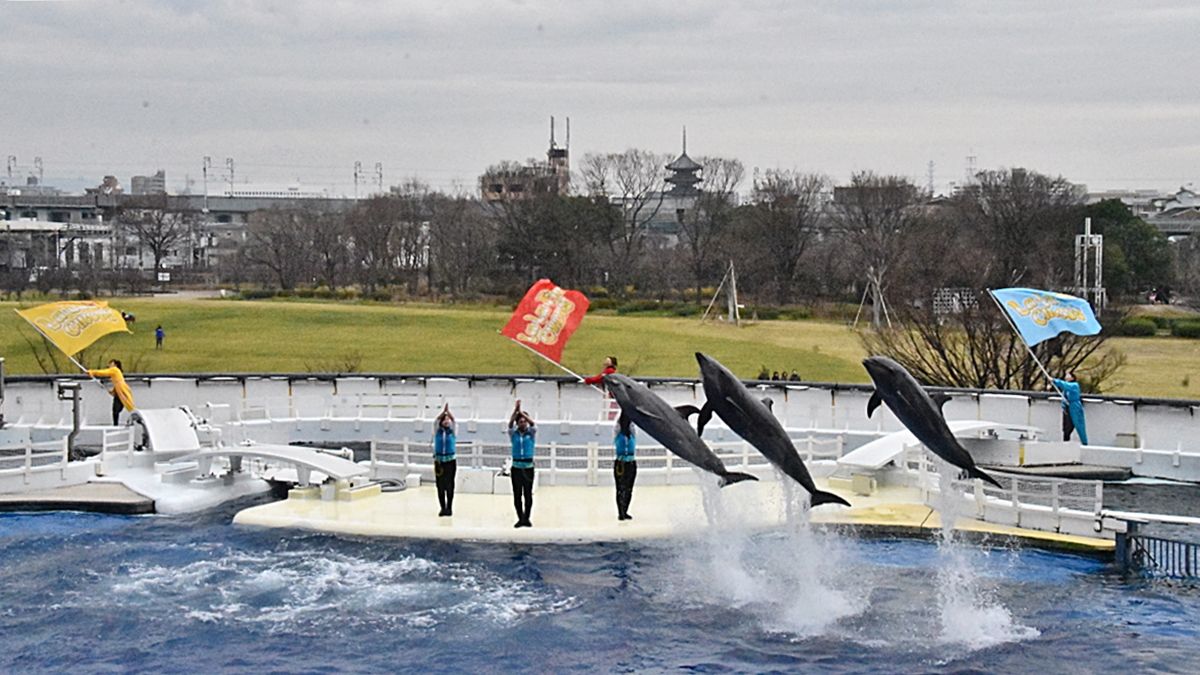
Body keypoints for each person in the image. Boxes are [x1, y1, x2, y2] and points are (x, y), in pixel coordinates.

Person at [508, 400, 537, 528]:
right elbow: (509, 424)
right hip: (516, 467)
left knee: (528, 494)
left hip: (528, 467)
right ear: (517, 423)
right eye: (520, 421)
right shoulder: (513, 434)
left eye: (524, 421)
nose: (523, 423)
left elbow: (533, 423)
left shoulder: (531, 433)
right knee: (517, 494)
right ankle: (520, 518)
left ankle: (527, 518)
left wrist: (522, 412)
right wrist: (516, 411)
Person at [87, 359, 135, 426]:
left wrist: (92, 372)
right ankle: (117, 424)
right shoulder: (116, 372)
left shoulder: (115, 369)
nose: (109, 365)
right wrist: (113, 391)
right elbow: (117, 383)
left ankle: (119, 423)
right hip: (119, 392)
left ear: (115, 364)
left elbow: (103, 372)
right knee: (118, 409)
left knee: (119, 409)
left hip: (122, 391)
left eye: (110, 363)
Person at [433, 403, 457, 517]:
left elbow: (454, 421)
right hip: (439, 461)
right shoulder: (437, 431)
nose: (447, 421)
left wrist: (449, 413)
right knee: (440, 485)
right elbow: (436, 421)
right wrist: (444, 412)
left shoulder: (452, 432)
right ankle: (442, 508)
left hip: (450, 461)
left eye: (448, 420)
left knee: (450, 485)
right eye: (444, 420)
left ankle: (449, 507)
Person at [1051, 372, 1089, 445]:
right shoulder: (1065, 390)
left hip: (1074, 407)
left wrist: (1054, 380)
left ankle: (1084, 443)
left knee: (1079, 426)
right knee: (1066, 427)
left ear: (1072, 378)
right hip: (1067, 408)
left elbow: (1065, 385)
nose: (1066, 376)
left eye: (1068, 375)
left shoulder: (1074, 385)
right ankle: (1066, 442)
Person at [613, 414, 637, 521]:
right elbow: (618, 425)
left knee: (629, 489)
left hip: (631, 463)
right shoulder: (618, 433)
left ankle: (625, 510)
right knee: (620, 488)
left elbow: (632, 426)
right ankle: (620, 512)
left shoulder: (632, 434)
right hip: (620, 463)